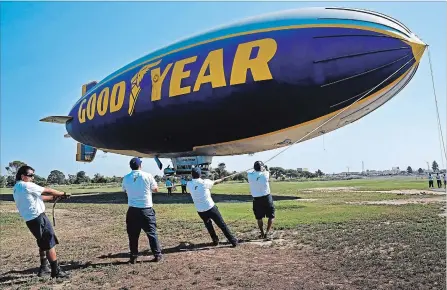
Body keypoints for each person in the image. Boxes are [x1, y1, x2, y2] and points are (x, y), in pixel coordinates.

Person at [12, 165, 70, 278]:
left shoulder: (17, 187)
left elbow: (39, 198)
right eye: (30, 175)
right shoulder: (26, 185)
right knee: (49, 243)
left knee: (43, 241)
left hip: (31, 220)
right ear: (23, 176)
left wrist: (55, 198)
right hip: (38, 218)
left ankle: (44, 268)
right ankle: (56, 271)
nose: (32, 178)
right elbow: (47, 190)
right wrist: (62, 193)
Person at [122, 157, 163, 263]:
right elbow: (156, 189)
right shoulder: (148, 175)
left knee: (133, 235)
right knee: (152, 233)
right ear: (140, 165)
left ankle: (134, 256)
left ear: (130, 167)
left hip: (132, 210)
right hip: (146, 209)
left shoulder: (126, 178)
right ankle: (157, 255)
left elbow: (125, 190)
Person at [186, 167, 238, 247]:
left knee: (209, 226)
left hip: (200, 210)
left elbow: (190, 185)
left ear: (192, 175)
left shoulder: (189, 184)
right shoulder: (204, 182)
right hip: (210, 208)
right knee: (221, 224)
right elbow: (215, 182)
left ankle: (215, 240)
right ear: (200, 174)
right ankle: (233, 241)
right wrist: (222, 179)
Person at [247, 161, 275, 239]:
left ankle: (262, 232)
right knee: (271, 216)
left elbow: (250, 172)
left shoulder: (250, 176)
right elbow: (266, 170)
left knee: (259, 218)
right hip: (267, 198)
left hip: (257, 199)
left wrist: (253, 169)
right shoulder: (265, 174)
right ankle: (267, 233)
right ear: (261, 167)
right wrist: (263, 168)